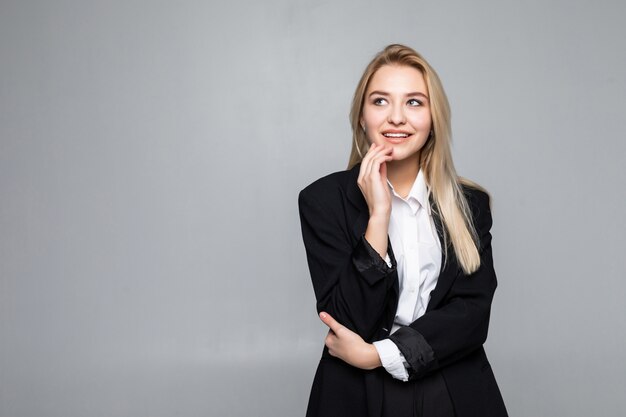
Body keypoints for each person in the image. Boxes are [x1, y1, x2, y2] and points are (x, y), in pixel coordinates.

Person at [297, 44, 509, 417]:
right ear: (361, 117)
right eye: (380, 101)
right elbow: (347, 321)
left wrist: (377, 355)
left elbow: (472, 315)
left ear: (433, 119)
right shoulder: (323, 200)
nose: (396, 117)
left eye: (414, 102)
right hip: (356, 394)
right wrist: (378, 216)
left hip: (452, 385)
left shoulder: (469, 205)